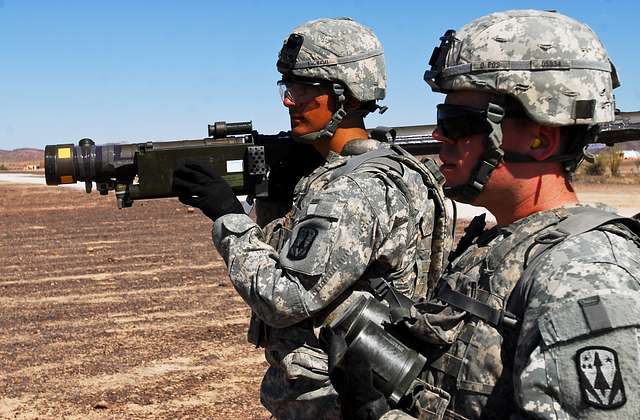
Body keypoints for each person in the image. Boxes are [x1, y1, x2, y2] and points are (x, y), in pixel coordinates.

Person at [330, 9, 640, 419]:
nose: (438, 135)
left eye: (458, 123)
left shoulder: (581, 277)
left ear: (540, 139)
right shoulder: (498, 243)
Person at [171, 17, 451, 419]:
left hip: (339, 401)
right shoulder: (364, 170)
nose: (289, 100)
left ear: (349, 98)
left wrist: (229, 216)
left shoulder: (354, 188)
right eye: (288, 87)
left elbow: (285, 298)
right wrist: (275, 204)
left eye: (304, 89)